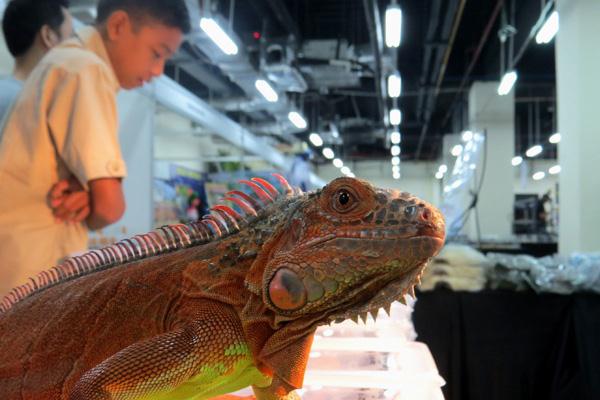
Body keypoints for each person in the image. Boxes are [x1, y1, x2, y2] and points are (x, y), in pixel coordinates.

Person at [0, 0, 191, 296]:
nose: (157, 70)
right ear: (117, 26)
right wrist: (97, 199)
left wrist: (89, 193)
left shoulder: (65, 62)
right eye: (157, 53)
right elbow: (110, 208)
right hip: (31, 283)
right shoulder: (86, 71)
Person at [0, 0, 74, 129]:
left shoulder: (6, 92)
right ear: (48, 36)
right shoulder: (30, 107)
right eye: (71, 38)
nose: (75, 50)